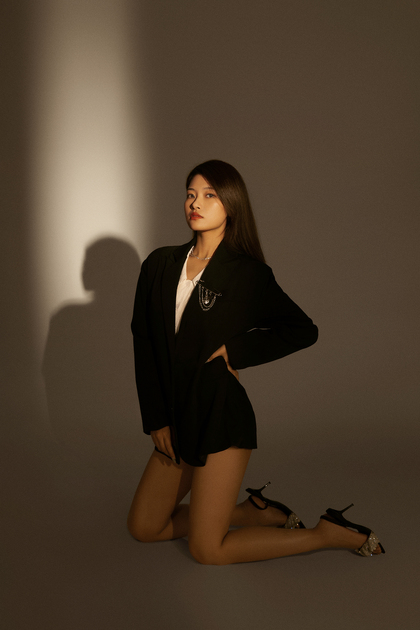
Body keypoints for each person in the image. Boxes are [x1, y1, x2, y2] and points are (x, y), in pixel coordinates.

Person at [127, 160, 384, 564]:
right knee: (144, 527)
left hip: (220, 416)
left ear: (231, 204)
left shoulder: (248, 275)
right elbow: (144, 343)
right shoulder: (158, 265)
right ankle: (255, 512)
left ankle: (326, 533)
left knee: (206, 550)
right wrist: (156, 418)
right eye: (191, 194)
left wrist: (235, 351)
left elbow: (302, 330)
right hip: (174, 417)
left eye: (209, 195)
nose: (195, 203)